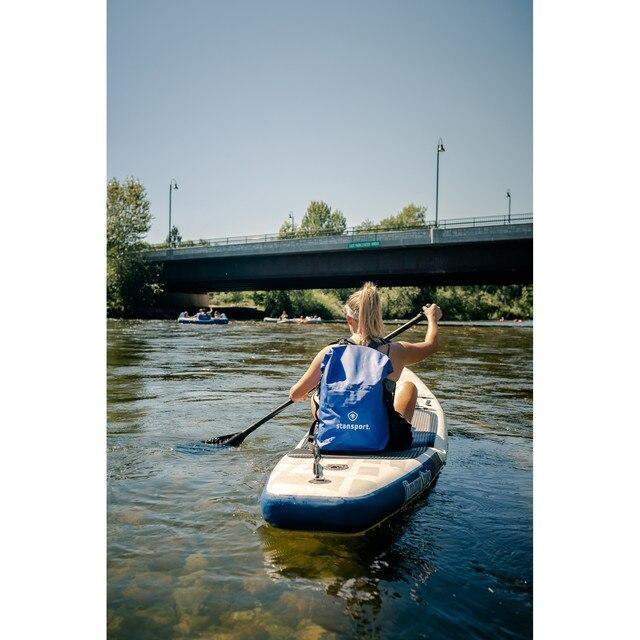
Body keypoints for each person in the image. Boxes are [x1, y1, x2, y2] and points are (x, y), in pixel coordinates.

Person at [289, 282, 442, 451]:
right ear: (378, 317)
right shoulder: (396, 351)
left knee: (315, 395)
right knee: (409, 387)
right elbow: (432, 345)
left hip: (331, 442)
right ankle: (398, 427)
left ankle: (333, 429)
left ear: (349, 319)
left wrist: (303, 393)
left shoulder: (329, 352)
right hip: (384, 442)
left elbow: (295, 394)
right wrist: (432, 318)